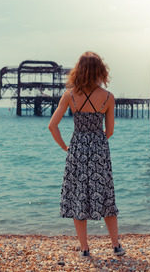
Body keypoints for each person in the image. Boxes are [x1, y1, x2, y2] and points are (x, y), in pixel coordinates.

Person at [48, 51, 125, 258]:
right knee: (106, 195)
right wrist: (97, 142)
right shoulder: (108, 97)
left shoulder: (70, 95)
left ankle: (84, 249)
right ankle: (116, 246)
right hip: (99, 149)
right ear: (100, 71)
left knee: (78, 195)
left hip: (77, 148)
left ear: (78, 71)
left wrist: (66, 147)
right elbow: (110, 131)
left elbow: (52, 126)